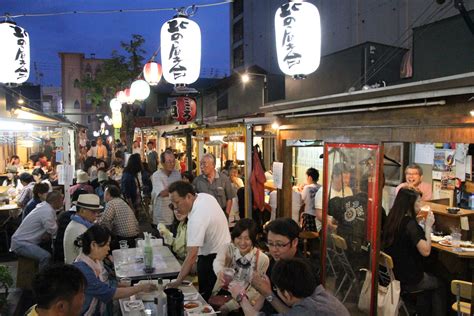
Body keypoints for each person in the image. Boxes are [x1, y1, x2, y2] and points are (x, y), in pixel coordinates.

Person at [382, 188, 446, 316]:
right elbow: (426, 251)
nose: (420, 206)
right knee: (441, 283)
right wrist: (428, 226)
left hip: (393, 275)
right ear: (409, 204)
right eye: (418, 202)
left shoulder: (392, 219)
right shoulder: (409, 224)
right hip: (409, 279)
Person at [166, 181, 231, 301]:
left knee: (209, 299)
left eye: (177, 202)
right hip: (226, 253)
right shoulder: (205, 197)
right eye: (172, 203)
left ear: (189, 197)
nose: (175, 207)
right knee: (221, 295)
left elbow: (191, 255)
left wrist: (178, 281)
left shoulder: (196, 218)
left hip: (213, 259)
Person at [73, 225, 156, 315]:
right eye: (107, 244)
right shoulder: (83, 271)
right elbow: (109, 293)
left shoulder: (96, 261)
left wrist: (122, 285)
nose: (108, 249)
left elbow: (107, 282)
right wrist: (140, 288)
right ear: (94, 245)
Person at [229, 258, 349, 316]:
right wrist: (267, 293)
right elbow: (290, 313)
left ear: (286, 293)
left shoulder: (308, 310)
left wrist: (241, 297)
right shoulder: (321, 297)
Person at [251, 218, 319, 315]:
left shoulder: (302, 271)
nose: (274, 250)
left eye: (280, 244)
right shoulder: (276, 260)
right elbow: (264, 294)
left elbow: (296, 314)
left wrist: (267, 294)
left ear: (294, 242)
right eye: (270, 244)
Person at [212, 219, 269, 314]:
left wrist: (230, 306)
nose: (242, 243)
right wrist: (220, 272)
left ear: (254, 238)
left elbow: (255, 291)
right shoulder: (228, 249)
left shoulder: (262, 259)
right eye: (238, 237)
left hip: (243, 303)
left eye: (247, 238)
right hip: (221, 297)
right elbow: (218, 262)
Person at [10, 191, 63, 270]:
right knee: (46, 256)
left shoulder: (45, 207)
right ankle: (41, 280)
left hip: (23, 241)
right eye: (62, 200)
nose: (63, 202)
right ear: (56, 201)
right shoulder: (47, 211)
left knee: (48, 249)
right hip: (21, 243)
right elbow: (54, 230)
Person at [64, 194, 103, 264]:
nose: (96, 215)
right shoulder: (80, 229)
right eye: (93, 212)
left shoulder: (78, 224)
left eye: (97, 212)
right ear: (82, 211)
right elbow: (88, 258)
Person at [98, 185, 140, 250]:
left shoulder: (111, 203)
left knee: (104, 242)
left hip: (124, 238)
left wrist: (98, 222)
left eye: (105, 193)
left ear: (108, 194)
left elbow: (105, 221)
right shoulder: (121, 201)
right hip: (135, 236)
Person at [314, 162, 353, 231]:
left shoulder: (348, 190)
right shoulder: (323, 191)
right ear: (334, 176)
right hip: (325, 230)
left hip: (342, 227)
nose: (346, 182)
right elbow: (319, 213)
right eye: (344, 179)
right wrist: (330, 225)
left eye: (348, 179)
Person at [151, 149, 182, 228]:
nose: (172, 164)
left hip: (176, 215)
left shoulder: (177, 174)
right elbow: (163, 193)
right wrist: (177, 187)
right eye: (169, 162)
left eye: (173, 161)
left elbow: (181, 191)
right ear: (162, 163)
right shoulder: (156, 175)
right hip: (162, 216)